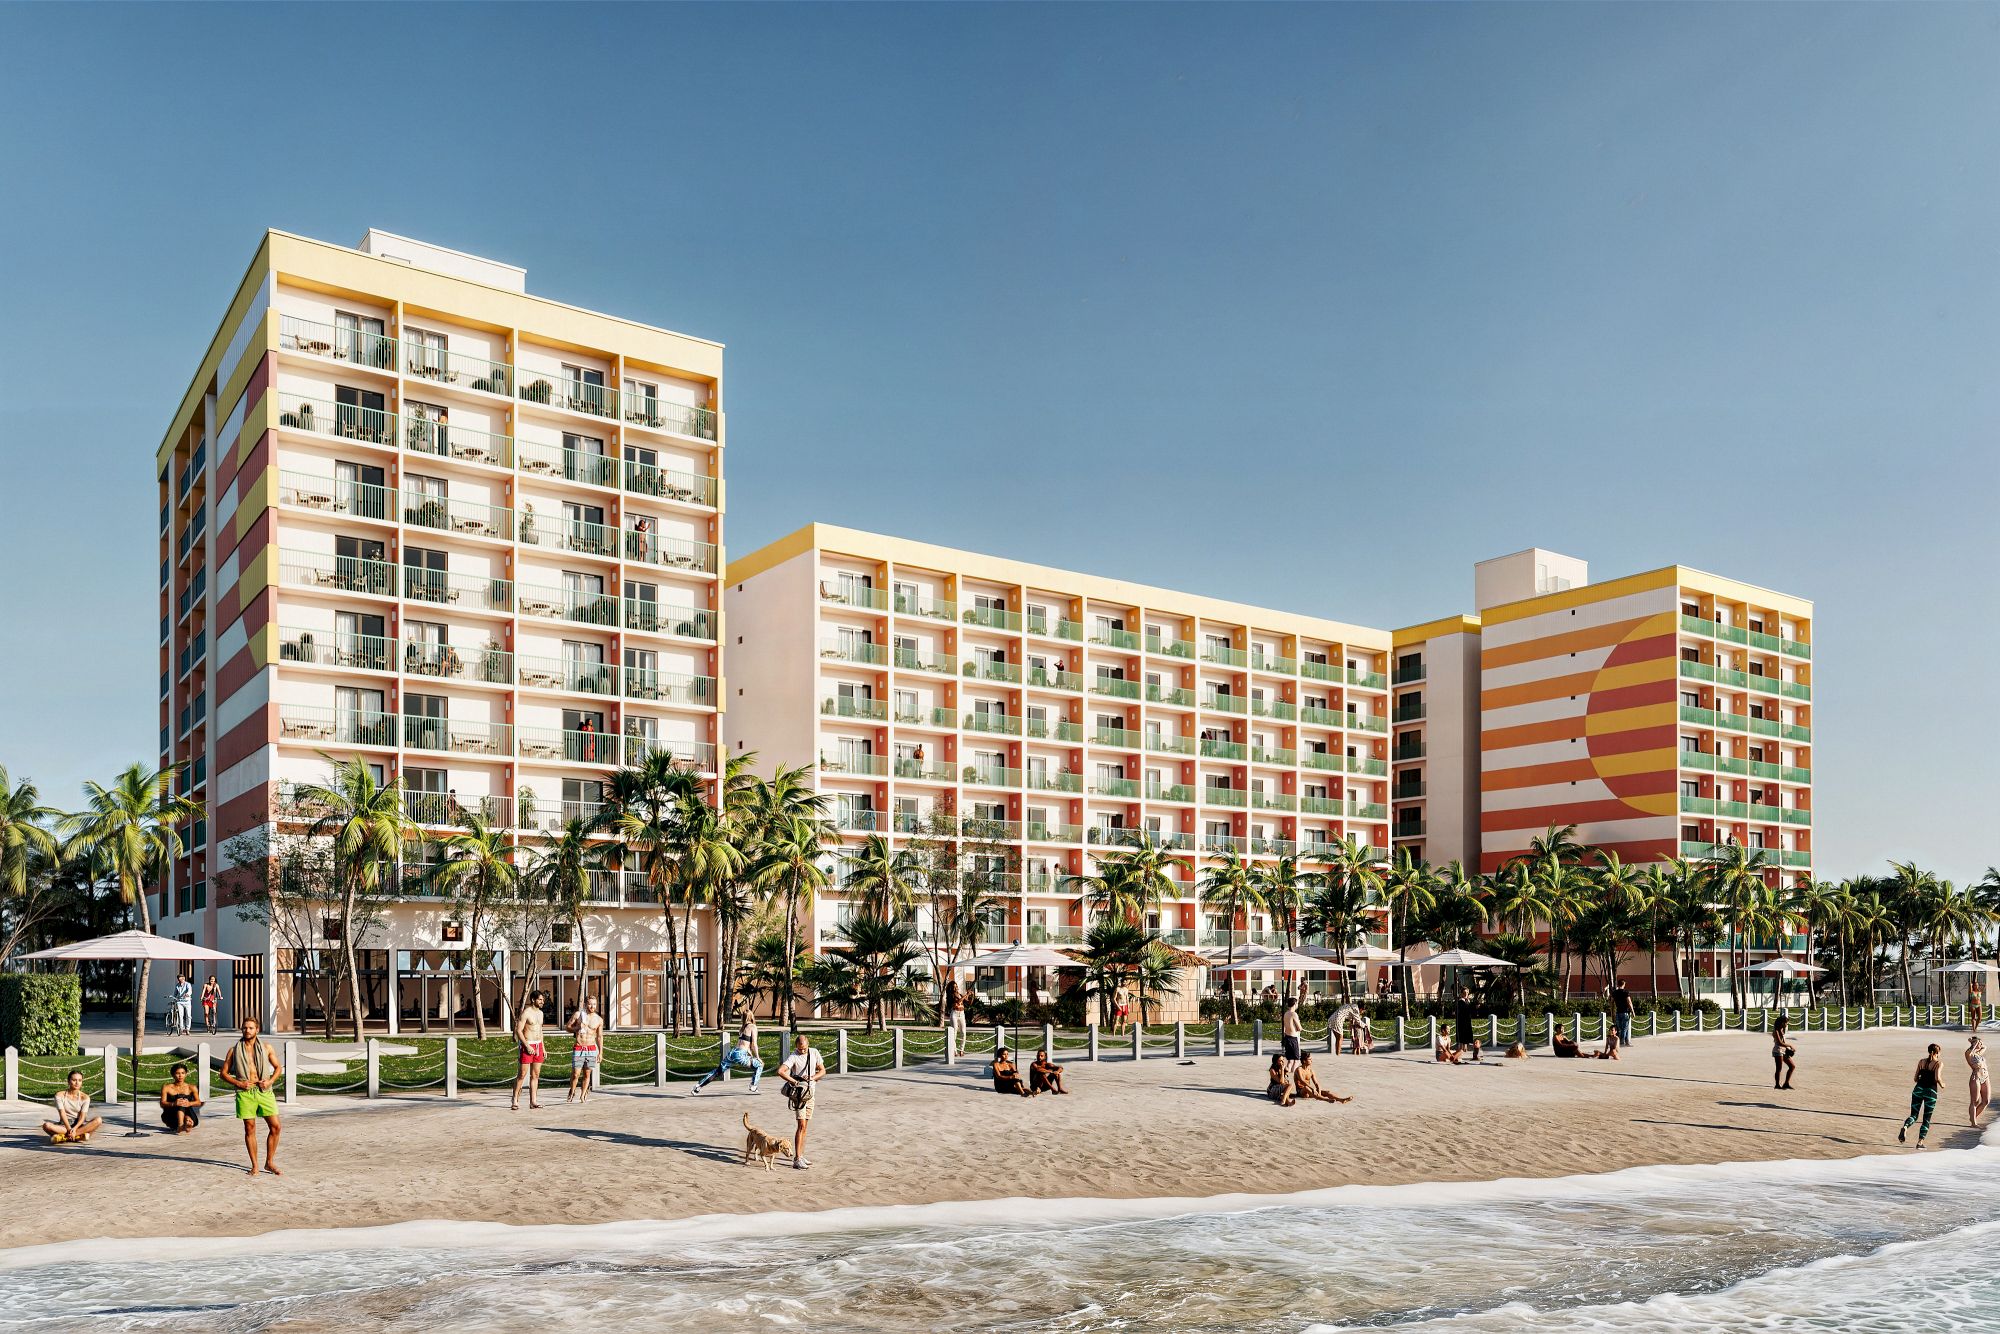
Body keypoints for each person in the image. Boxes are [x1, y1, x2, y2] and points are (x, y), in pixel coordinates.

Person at [220, 1018, 282, 1175]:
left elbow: (277, 1068)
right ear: (242, 1029)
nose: (247, 1030)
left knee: (276, 1127)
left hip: (264, 1091)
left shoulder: (267, 1047)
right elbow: (223, 1074)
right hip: (245, 1092)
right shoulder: (234, 1050)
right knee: (250, 1128)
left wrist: (269, 1081)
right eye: (245, 1028)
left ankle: (269, 1162)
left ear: (257, 1030)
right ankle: (255, 1165)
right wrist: (239, 1084)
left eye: (251, 1028)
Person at [778, 1034, 827, 1170]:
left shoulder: (815, 1053)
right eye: (800, 1049)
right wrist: (794, 1081)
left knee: (805, 1127)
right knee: (801, 1125)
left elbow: (823, 1070)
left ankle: (801, 1154)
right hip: (799, 1096)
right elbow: (781, 1071)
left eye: (804, 1049)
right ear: (796, 1047)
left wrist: (812, 1077)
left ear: (808, 1045)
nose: (802, 1051)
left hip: (810, 1094)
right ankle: (797, 1159)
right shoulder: (793, 1056)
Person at [693, 1010, 764, 1094]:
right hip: (740, 1054)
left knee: (718, 1071)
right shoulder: (752, 1027)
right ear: (751, 1016)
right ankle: (753, 1086)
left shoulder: (742, 1028)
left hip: (733, 1053)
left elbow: (744, 1042)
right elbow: (754, 1044)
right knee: (759, 1065)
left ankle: (698, 1086)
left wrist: (750, 1054)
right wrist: (758, 1057)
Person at [1901, 1043, 1944, 1148]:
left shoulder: (1921, 1062)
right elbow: (1937, 1078)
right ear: (1937, 1053)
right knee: (1926, 1119)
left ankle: (1905, 1127)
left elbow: (1915, 1078)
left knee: (1913, 1116)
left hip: (1918, 1090)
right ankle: (1920, 1143)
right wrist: (1943, 1084)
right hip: (1930, 1093)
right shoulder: (1938, 1063)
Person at [41, 1070, 102, 1144]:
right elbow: (62, 1113)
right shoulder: (60, 1095)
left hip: (78, 1125)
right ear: (68, 1081)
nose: (77, 1083)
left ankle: (65, 1137)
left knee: (98, 1120)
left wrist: (75, 1129)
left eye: (80, 1080)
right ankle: (78, 1136)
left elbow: (82, 1117)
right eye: (74, 1080)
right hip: (64, 1125)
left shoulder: (85, 1097)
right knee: (46, 1125)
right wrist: (69, 1129)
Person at [512, 989, 547, 1111]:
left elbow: (540, 1031)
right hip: (528, 1045)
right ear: (533, 1000)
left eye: (543, 1000)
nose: (542, 1002)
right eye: (540, 999)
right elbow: (518, 1030)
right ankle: (515, 1099)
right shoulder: (526, 1013)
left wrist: (543, 1047)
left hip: (538, 1046)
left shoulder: (541, 1013)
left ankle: (533, 1101)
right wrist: (527, 1045)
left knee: (535, 1075)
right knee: (522, 1074)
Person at [566, 994, 605, 1103]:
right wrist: (577, 1027)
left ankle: (583, 1095)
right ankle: (572, 1090)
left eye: (594, 1004)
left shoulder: (599, 1020)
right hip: (579, 1047)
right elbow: (567, 1027)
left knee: (587, 1073)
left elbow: (599, 1037)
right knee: (575, 1074)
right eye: (590, 1004)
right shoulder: (578, 1015)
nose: (592, 1006)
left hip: (591, 1049)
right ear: (585, 1004)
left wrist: (600, 1052)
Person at [159, 1064, 203, 1134]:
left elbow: (198, 1102)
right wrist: (174, 1103)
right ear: (173, 1074)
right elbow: (162, 1103)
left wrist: (189, 1103)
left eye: (183, 1073)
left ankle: (184, 1123)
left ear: (186, 1074)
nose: (180, 1076)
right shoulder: (167, 1087)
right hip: (171, 1117)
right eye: (177, 1073)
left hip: (190, 1114)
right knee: (181, 1100)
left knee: (182, 1100)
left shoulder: (191, 1087)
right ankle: (184, 1122)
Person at [1967, 1035, 1990, 1127]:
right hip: (1975, 1077)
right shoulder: (1969, 1054)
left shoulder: (1978, 1053)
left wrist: (1977, 1042)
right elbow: (1970, 1051)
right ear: (1974, 1044)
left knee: (1986, 1101)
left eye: (1980, 1042)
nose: (1980, 1044)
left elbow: (1985, 1046)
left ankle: (1973, 1117)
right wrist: (1974, 1043)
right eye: (1978, 1043)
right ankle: (1973, 1123)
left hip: (1985, 1077)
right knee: (1975, 1101)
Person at [1453, 986, 1480, 1061]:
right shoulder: (1460, 1002)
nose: (1466, 994)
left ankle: (1465, 1050)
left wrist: (1475, 1007)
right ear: (1461, 993)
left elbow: (1471, 1011)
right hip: (1461, 1021)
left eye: (1467, 993)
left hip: (1467, 1021)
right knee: (1462, 1037)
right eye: (1464, 993)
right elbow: (1464, 1010)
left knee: (1466, 1037)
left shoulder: (1468, 1001)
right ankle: (1460, 1052)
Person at [1772, 1014, 1797, 1090]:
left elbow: (1783, 1041)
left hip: (1784, 1050)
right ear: (1782, 1023)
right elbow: (1780, 1043)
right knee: (1779, 1068)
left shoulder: (1782, 1030)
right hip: (1778, 1051)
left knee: (1792, 1066)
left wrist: (1788, 1049)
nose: (1787, 1024)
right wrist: (1790, 1046)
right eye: (1786, 1023)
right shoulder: (1776, 1031)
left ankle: (1786, 1083)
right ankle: (1777, 1085)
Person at [1607, 981, 1634, 1049]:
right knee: (1624, 1028)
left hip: (1618, 1012)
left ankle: (1627, 1042)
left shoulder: (1614, 992)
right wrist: (1633, 1011)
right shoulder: (1625, 992)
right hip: (1625, 1012)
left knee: (1620, 1028)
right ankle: (1622, 1042)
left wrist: (1612, 1012)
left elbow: (1611, 1002)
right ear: (1624, 984)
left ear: (1617, 984)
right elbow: (1629, 1002)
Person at [1280, 996, 1304, 1072]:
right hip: (1293, 1038)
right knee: (1296, 1060)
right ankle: (1294, 1075)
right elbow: (1299, 1028)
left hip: (1287, 1037)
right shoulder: (1294, 1014)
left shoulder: (1286, 1014)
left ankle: (1285, 1073)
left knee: (1290, 1060)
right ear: (1295, 1004)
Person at [944, 976, 967, 1043]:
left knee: (963, 1032)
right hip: (954, 1014)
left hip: (962, 1014)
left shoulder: (959, 994)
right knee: (954, 1032)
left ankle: (961, 1050)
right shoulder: (951, 995)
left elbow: (968, 1001)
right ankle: (954, 1050)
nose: (956, 987)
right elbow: (958, 1002)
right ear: (951, 988)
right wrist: (965, 995)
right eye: (954, 986)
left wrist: (971, 995)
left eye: (956, 986)